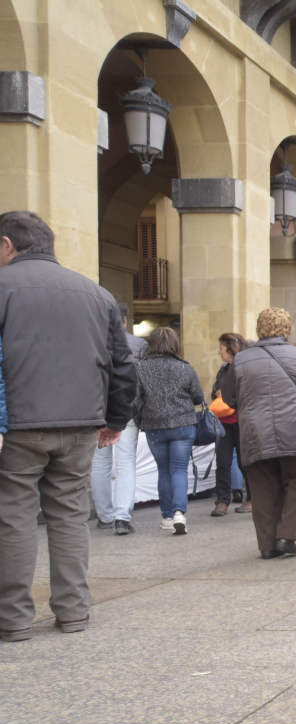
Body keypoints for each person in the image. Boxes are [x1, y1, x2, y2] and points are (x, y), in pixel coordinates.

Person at [0, 210, 138, 641]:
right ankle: (74, 610)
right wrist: (115, 419)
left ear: (7, 245)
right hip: (81, 423)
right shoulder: (97, 295)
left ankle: (14, 617)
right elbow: (124, 366)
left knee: (14, 517)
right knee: (70, 516)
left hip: (19, 424)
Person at [220, 308, 296, 560]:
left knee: (262, 487)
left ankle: (267, 545)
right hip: (295, 429)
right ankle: (287, 535)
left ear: (259, 328)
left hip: (255, 431)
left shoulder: (241, 359)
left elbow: (230, 398)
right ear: (287, 328)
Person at [135, 326, 205, 535]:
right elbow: (198, 398)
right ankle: (179, 513)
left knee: (164, 470)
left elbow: (136, 400)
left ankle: (166, 516)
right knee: (178, 469)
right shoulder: (185, 367)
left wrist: (140, 420)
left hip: (154, 425)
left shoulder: (140, 368)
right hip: (183, 425)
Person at [90, 303, 147, 534]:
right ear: (124, 320)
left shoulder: (91, 341)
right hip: (127, 409)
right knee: (125, 464)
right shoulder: (139, 345)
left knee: (99, 463)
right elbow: (141, 381)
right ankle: (122, 517)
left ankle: (104, 515)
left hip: (97, 410)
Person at [210, 333, 251, 516]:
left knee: (245, 462)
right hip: (224, 423)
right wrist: (218, 394)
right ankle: (222, 500)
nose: (219, 351)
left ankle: (252, 498)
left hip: (242, 422)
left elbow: (246, 393)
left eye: (221, 347)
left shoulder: (245, 367)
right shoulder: (223, 369)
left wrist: (226, 395)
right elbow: (215, 392)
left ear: (230, 348)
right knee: (223, 461)